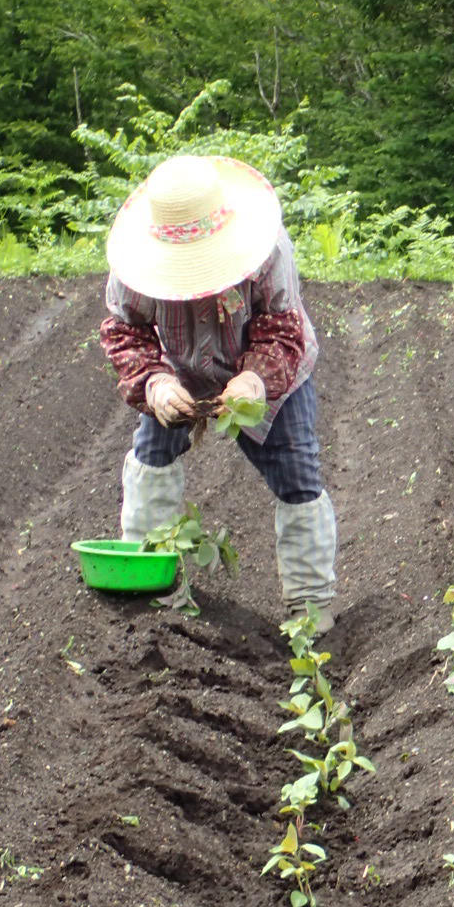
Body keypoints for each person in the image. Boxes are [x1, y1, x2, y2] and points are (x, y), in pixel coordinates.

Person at [98, 153, 338, 631]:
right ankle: (148, 580)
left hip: (266, 371)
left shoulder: (268, 253)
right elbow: (124, 331)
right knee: (152, 453)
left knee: (296, 469)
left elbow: (281, 328)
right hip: (180, 369)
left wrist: (254, 379)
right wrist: (154, 382)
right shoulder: (136, 267)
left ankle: (309, 603)